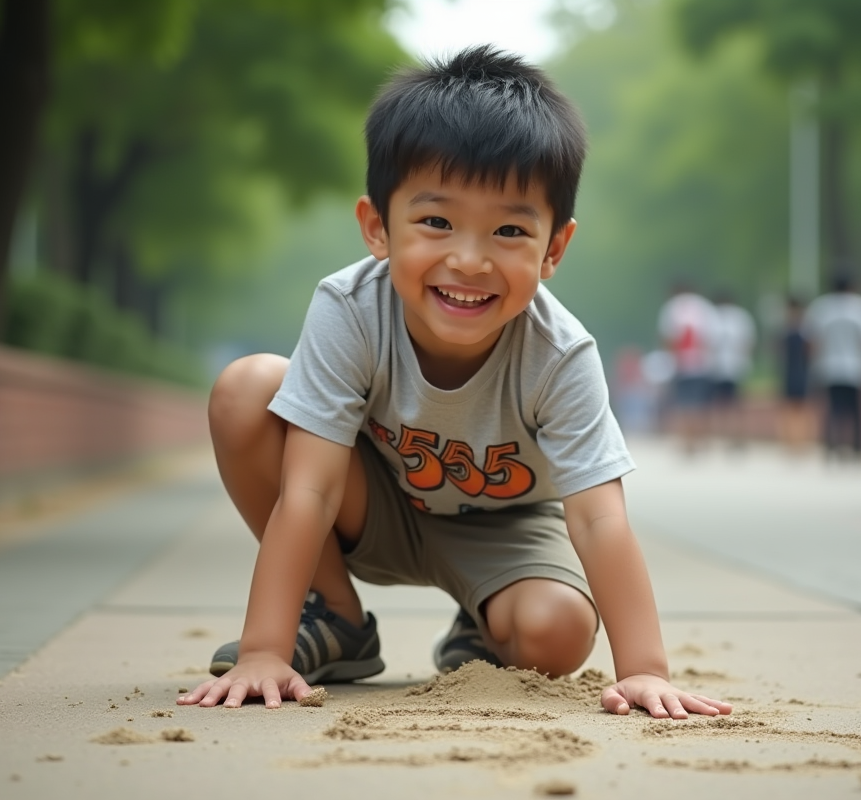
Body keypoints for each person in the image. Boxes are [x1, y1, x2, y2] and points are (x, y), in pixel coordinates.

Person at [177, 46, 732, 721]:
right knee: (247, 389)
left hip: (505, 525)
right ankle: (337, 619)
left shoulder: (559, 353)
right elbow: (313, 487)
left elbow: (598, 515)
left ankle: (485, 628)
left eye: (508, 230)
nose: (468, 260)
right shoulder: (350, 308)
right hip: (374, 501)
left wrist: (645, 670)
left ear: (553, 248)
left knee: (558, 632)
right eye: (436, 222)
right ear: (378, 227)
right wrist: (265, 648)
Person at [802, 274, 861, 460]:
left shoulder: (821, 307)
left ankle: (831, 446)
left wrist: (812, 365)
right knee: (857, 411)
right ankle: (857, 449)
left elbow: (812, 342)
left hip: (828, 367)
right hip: (857, 367)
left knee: (832, 409)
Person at [657, 284, 719, 452]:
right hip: (702, 363)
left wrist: (670, 359)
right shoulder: (705, 307)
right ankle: (701, 439)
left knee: (684, 404)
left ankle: (687, 441)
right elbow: (712, 338)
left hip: (682, 363)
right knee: (701, 405)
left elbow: (668, 337)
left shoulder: (672, 307)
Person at [708, 293, 757, 447]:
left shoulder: (712, 317)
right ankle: (737, 436)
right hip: (736, 367)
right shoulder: (741, 317)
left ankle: (725, 435)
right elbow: (748, 343)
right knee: (736, 405)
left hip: (718, 367)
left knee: (721, 405)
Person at [776, 296, 813, 453]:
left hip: (801, 371)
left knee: (801, 408)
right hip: (789, 372)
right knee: (788, 408)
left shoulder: (806, 332)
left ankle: (800, 441)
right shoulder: (785, 331)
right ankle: (789, 441)